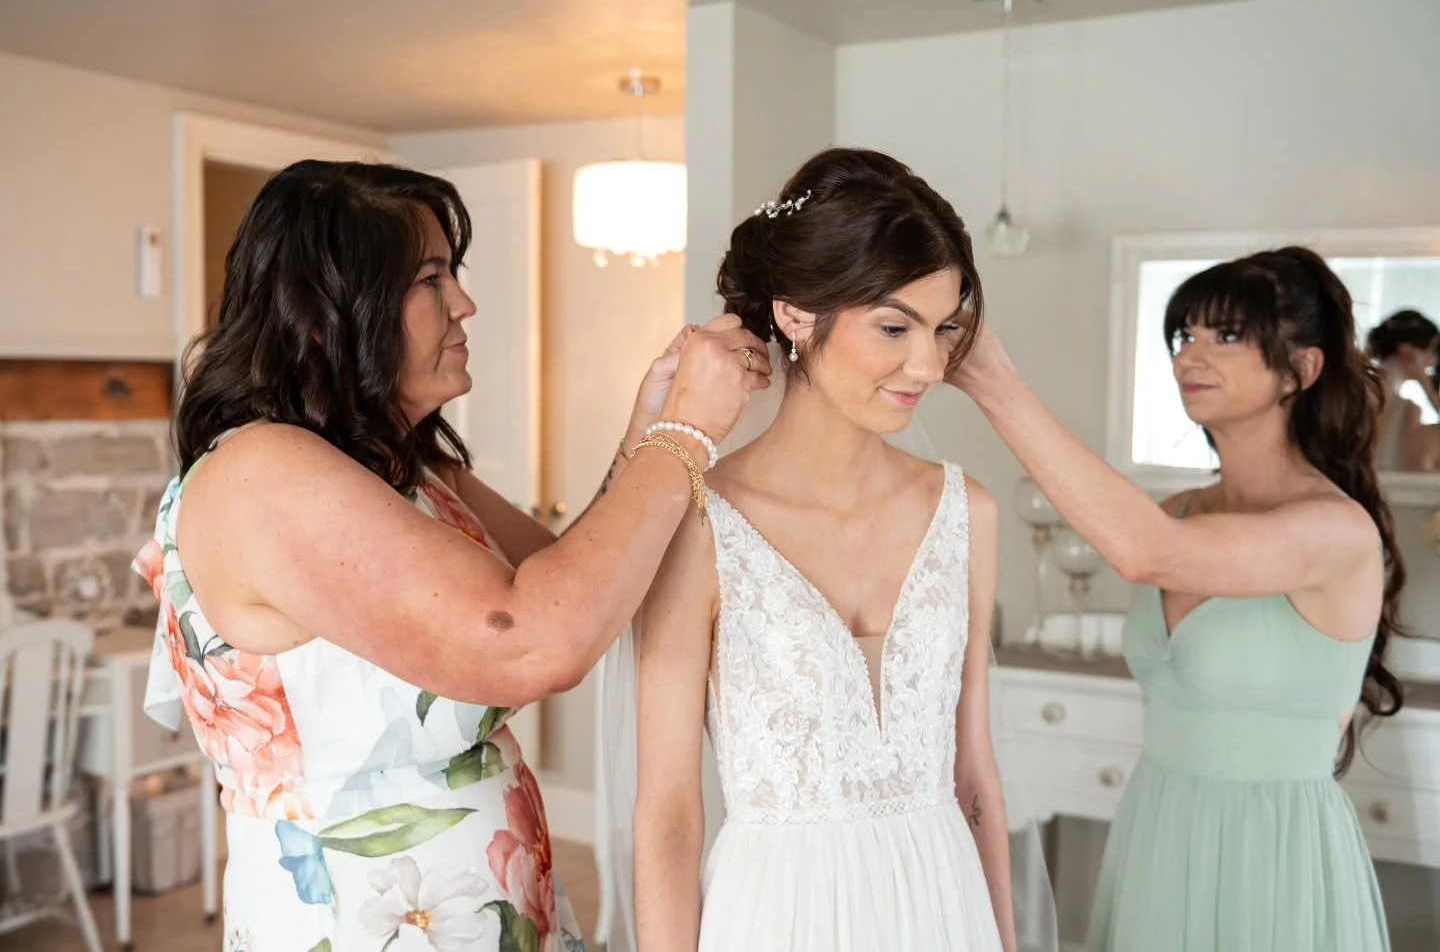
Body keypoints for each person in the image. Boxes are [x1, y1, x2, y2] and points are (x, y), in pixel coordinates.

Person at [131, 159, 768, 952]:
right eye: (431, 279)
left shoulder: (407, 466)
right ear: (328, 313)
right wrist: (687, 433)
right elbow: (535, 641)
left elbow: (570, 581)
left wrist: (647, 428)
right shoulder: (262, 472)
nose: (464, 304)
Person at [949, 246, 1403, 952]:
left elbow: (1144, 552)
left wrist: (994, 381)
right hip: (1158, 830)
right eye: (1185, 334)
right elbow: (1141, 537)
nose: (1191, 354)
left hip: (1270, 856)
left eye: (1227, 335)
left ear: (1303, 369)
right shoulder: (1182, 510)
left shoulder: (1335, 531)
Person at [630, 148, 1024, 952]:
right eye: (895, 327)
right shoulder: (699, 523)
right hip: (778, 917)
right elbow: (668, 811)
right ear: (796, 315)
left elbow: (974, 777)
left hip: (944, 909)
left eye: (943, 328)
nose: (929, 364)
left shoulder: (968, 514)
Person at [1366, 307, 1440, 471]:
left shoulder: (1357, 392)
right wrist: (1425, 383)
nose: (1432, 362)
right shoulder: (1407, 409)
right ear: (1407, 350)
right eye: (1431, 352)